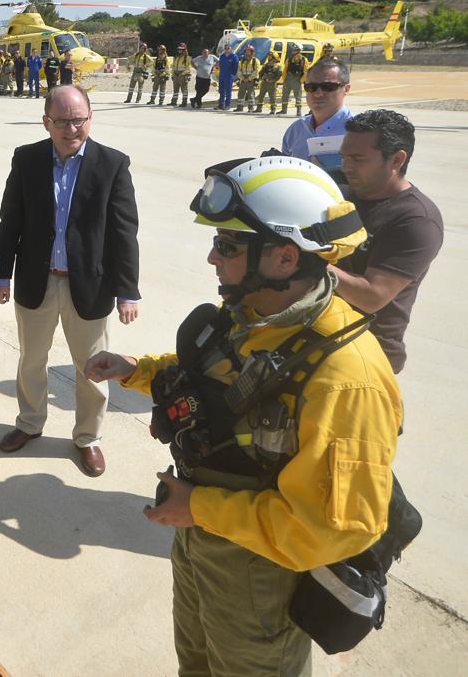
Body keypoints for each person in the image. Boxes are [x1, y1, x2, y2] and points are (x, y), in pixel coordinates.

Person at [85, 155, 400, 676]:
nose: (212, 257)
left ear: (282, 257)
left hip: (262, 572)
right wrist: (135, 370)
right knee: (197, 664)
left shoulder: (347, 378)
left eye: (226, 245)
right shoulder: (262, 312)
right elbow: (217, 375)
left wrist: (200, 509)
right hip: (201, 534)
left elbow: (333, 532)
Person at [0, 86, 139, 476]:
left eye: (79, 119)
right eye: (63, 121)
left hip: (89, 284)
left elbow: (124, 232)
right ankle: (30, 423)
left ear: (90, 118)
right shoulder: (26, 160)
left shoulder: (112, 164)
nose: (72, 128)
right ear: (47, 123)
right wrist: (1, 273)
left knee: (92, 367)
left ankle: (87, 437)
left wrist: (128, 291)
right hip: (36, 280)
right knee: (31, 360)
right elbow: (12, 221)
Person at [333, 109, 444, 373]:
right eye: (344, 156)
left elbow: (372, 296)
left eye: (357, 159)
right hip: (319, 337)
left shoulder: (416, 220)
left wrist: (306, 259)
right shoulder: (345, 194)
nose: (346, 166)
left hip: (365, 355)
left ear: (396, 159)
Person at [281, 56, 352, 176]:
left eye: (328, 87)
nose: (318, 94)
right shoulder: (296, 130)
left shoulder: (357, 132)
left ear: (346, 89)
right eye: (311, 87)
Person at [280, 46, 309, 116]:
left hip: (297, 79)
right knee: (284, 95)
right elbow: (285, 69)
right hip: (288, 78)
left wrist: (301, 80)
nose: (293, 51)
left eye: (294, 50)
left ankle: (298, 111)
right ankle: (284, 110)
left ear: (298, 51)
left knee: (298, 96)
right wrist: (284, 79)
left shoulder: (304, 60)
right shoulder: (289, 59)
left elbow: (306, 71)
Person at [235, 44, 260, 112]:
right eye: (246, 51)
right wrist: (242, 78)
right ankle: (239, 107)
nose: (247, 52)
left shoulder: (255, 61)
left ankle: (251, 108)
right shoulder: (242, 61)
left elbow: (256, 71)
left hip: (250, 80)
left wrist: (249, 78)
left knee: (250, 95)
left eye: (248, 51)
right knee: (240, 94)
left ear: (252, 52)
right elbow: (239, 70)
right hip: (243, 80)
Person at [258, 47, 283, 114]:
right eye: (269, 56)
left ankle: (273, 109)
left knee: (272, 97)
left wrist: (273, 80)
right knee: (261, 96)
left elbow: (279, 75)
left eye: (270, 56)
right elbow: (261, 72)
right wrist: (260, 78)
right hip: (264, 83)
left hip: (271, 84)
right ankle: (259, 108)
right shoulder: (266, 65)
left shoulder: (278, 66)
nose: (269, 58)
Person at [215, 42, 239, 111]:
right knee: (221, 90)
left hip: (229, 76)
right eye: (225, 48)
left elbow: (236, 66)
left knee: (228, 91)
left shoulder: (234, 56)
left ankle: (227, 105)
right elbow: (219, 64)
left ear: (230, 49)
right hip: (222, 75)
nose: (227, 49)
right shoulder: (222, 56)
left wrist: (234, 75)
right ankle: (221, 104)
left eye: (228, 48)